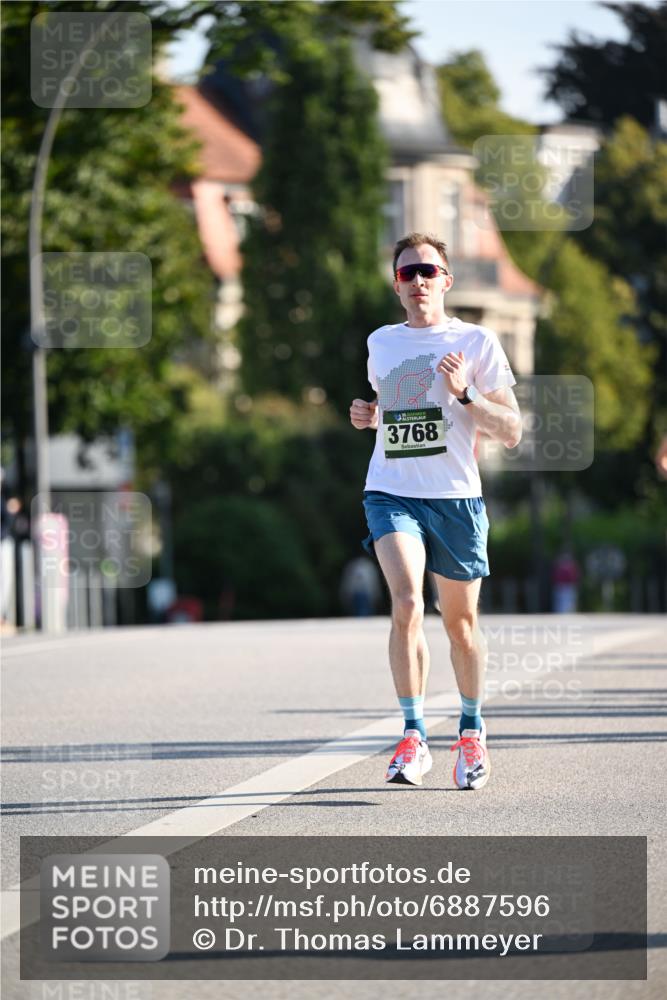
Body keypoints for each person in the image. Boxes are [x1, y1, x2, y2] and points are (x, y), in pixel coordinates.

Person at [349, 233, 522, 790]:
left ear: (446, 280)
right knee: (404, 600)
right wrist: (368, 416)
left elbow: (513, 431)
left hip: (455, 500)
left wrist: (466, 395)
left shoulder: (476, 342)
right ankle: (414, 734)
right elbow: (396, 416)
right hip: (391, 492)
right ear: (396, 285)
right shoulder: (381, 343)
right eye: (407, 273)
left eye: (428, 271)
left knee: (461, 625)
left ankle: (471, 730)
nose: (418, 281)